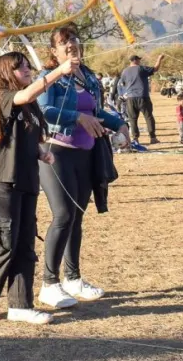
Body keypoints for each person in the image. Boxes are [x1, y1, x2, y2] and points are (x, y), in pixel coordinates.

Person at [0, 52, 77, 325]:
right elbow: (26, 95)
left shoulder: (29, 106)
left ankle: (21, 304)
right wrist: (58, 72)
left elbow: (29, 135)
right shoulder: (3, 96)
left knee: (26, 244)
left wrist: (41, 151)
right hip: (6, 182)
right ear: (7, 73)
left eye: (28, 66)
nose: (28, 70)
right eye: (21, 68)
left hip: (29, 181)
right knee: (6, 242)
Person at [37, 25, 130, 309]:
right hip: (56, 154)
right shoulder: (48, 78)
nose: (71, 45)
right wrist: (76, 118)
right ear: (54, 51)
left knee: (77, 216)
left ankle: (73, 278)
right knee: (63, 215)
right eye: (64, 42)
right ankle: (49, 284)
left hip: (86, 154)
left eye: (75, 40)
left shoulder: (87, 75)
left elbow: (98, 110)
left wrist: (120, 124)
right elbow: (44, 111)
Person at [117, 53, 165, 145]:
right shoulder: (141, 68)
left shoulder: (124, 71)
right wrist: (159, 59)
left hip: (130, 98)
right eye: (139, 60)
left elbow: (122, 83)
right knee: (148, 117)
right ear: (135, 60)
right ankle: (153, 138)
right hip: (142, 96)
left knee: (132, 119)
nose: (140, 61)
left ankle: (135, 139)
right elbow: (155, 69)